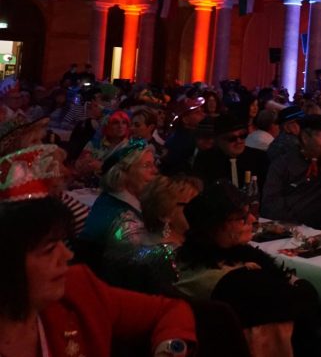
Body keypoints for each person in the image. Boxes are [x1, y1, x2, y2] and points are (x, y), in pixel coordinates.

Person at [0, 147, 196, 357]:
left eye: (61, 242)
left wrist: (169, 349)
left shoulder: (77, 289)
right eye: (49, 249)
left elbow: (170, 310)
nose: (67, 255)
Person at [177, 181, 321, 357]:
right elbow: (305, 300)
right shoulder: (239, 280)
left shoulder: (187, 259)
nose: (253, 220)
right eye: (243, 218)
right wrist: (299, 283)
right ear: (216, 227)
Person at [262, 116, 321, 230]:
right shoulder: (284, 163)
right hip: (291, 228)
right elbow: (270, 204)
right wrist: (296, 224)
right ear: (305, 138)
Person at [80, 138, 159, 250]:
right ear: (123, 173)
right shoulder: (123, 218)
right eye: (146, 166)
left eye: (153, 164)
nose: (155, 171)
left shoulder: (113, 199)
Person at [192, 113, 269, 190]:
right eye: (231, 138)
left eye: (242, 136)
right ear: (218, 140)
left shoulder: (259, 158)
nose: (239, 141)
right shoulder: (205, 160)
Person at [74, 109, 131, 181]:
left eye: (124, 123)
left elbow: (126, 175)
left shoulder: (128, 147)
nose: (120, 126)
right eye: (116, 123)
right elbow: (78, 164)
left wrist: (102, 167)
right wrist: (84, 163)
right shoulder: (95, 142)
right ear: (108, 125)